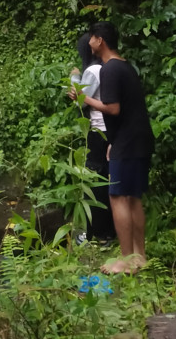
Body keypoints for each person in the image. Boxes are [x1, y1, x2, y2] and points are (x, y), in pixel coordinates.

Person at [69, 20, 154, 274]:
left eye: (91, 37)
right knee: (134, 198)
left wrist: (85, 99)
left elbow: (114, 108)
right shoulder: (125, 66)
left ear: (99, 40)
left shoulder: (108, 69)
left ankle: (126, 261)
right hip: (136, 139)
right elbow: (129, 109)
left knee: (118, 197)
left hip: (128, 141)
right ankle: (140, 256)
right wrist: (113, 143)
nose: (89, 42)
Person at [69, 31, 115, 245]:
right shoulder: (105, 67)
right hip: (108, 132)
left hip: (98, 131)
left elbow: (81, 101)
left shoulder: (93, 70)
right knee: (104, 181)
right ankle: (106, 232)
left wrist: (74, 77)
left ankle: (97, 233)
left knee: (93, 182)